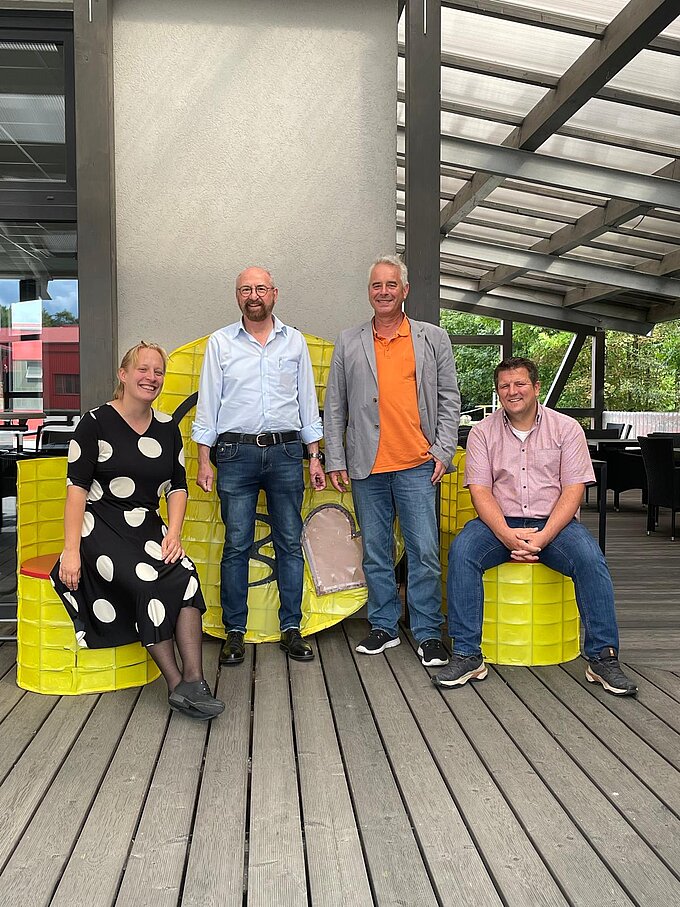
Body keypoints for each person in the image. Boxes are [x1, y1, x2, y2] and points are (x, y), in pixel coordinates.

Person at [432, 356, 637, 696]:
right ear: (498, 392)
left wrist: (542, 537)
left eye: (520, 384)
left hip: (554, 524)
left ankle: (603, 658)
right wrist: (507, 535)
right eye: (504, 386)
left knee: (590, 559)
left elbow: (573, 490)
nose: (512, 391)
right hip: (498, 523)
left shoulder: (566, 429)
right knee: (463, 551)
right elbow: (481, 492)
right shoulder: (482, 433)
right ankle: (468, 655)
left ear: (536, 387)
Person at [52, 341, 224, 720]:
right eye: (143, 369)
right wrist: (70, 550)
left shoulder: (167, 428)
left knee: (186, 575)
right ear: (124, 375)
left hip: (147, 526)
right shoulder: (94, 423)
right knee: (147, 582)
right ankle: (176, 684)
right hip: (100, 526)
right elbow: (76, 490)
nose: (151, 377)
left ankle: (195, 681)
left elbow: (177, 487)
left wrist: (173, 533)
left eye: (158, 371)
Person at [324, 255, 460, 666]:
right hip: (367, 466)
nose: (383, 292)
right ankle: (383, 625)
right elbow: (335, 406)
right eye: (376, 285)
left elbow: (449, 398)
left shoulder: (433, 338)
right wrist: (335, 459)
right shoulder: (348, 341)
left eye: (390, 284)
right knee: (376, 552)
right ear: (369, 292)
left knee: (424, 552)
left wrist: (443, 450)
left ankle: (427, 631)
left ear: (405, 290)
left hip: (418, 463)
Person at [192, 266, 326, 665]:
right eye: (245, 289)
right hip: (235, 454)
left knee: (289, 542)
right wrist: (204, 460)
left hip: (286, 453)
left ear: (274, 294)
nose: (254, 295)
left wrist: (314, 456)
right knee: (237, 544)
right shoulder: (220, 343)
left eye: (261, 288)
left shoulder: (294, 341)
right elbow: (208, 404)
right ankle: (235, 631)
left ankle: (291, 628)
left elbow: (307, 403)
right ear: (237, 296)